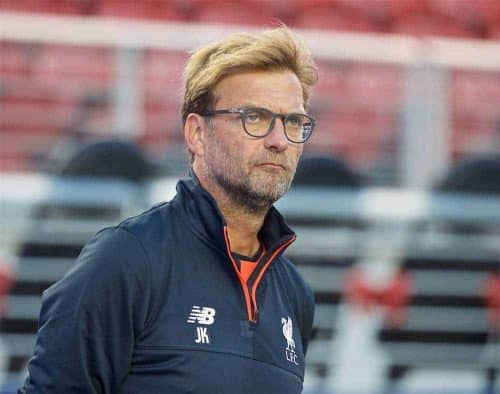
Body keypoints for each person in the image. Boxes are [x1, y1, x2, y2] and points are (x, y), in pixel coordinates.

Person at [19, 26, 318, 393]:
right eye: (254, 118)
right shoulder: (126, 260)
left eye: (293, 122)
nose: (278, 141)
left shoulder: (295, 294)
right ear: (196, 134)